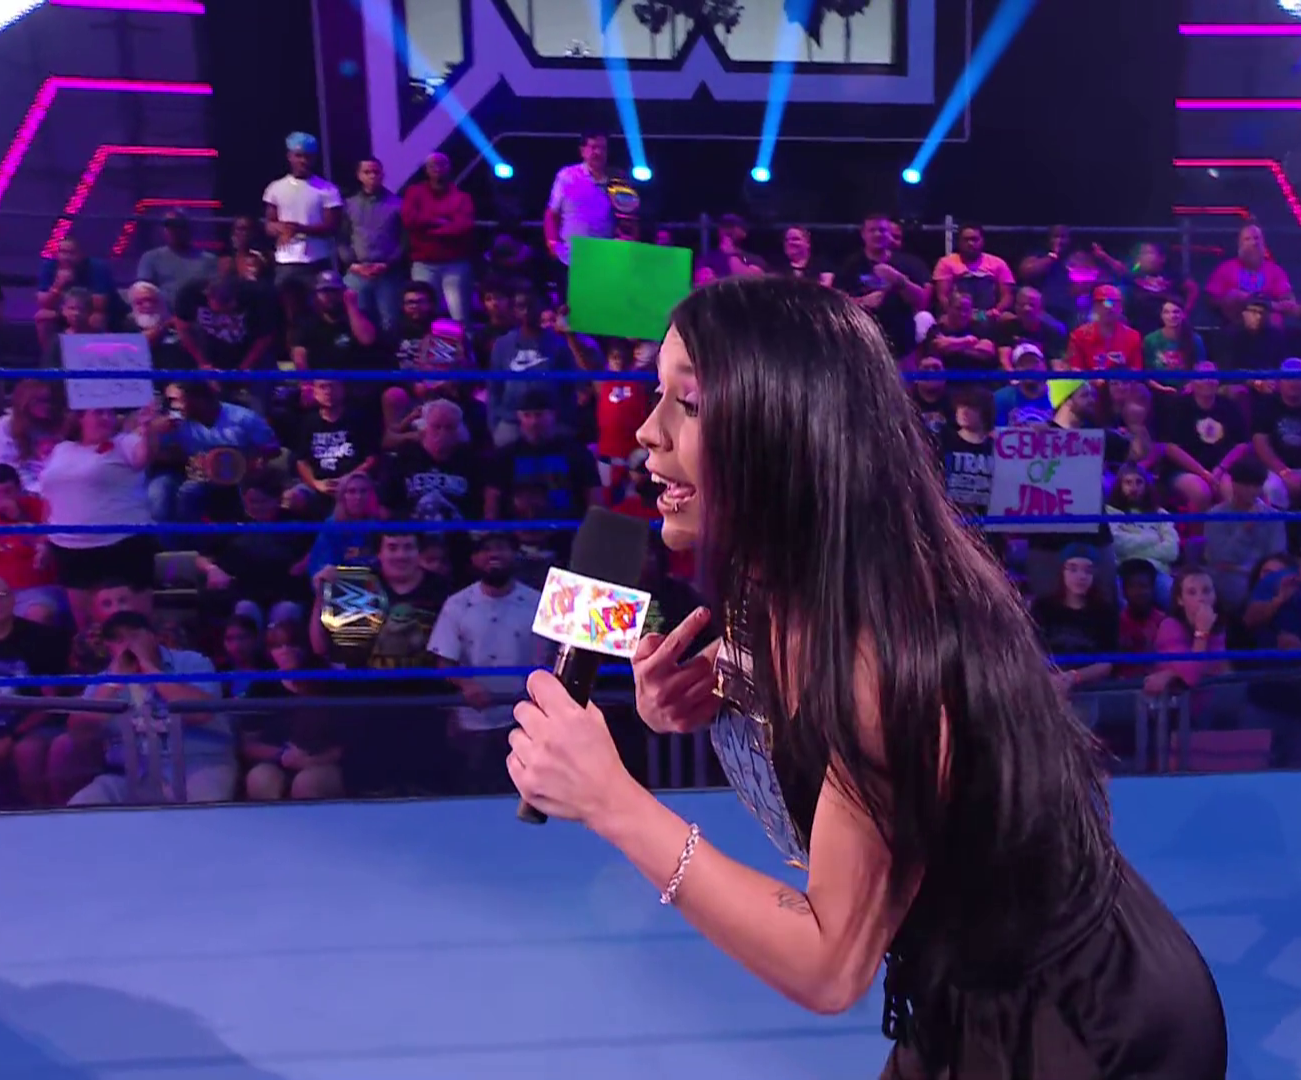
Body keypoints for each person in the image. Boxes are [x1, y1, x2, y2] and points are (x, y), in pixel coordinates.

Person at [505, 277, 1226, 1077]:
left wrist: (612, 801)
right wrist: (698, 690)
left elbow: (830, 965)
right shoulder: (776, 572)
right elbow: (784, 678)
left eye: (693, 403)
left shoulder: (886, 649)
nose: (647, 430)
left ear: (783, 432)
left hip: (1083, 1024)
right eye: (657, 395)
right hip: (955, 988)